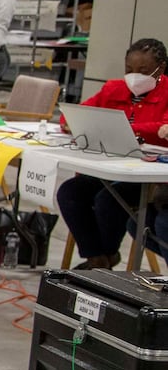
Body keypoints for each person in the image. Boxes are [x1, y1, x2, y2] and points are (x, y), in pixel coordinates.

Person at [56, 38, 168, 269]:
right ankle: (96, 258)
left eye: (143, 71)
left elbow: (163, 130)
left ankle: (105, 257)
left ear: (162, 68)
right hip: (112, 165)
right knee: (70, 192)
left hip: (148, 176)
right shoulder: (113, 89)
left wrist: (123, 129)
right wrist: (74, 123)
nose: (134, 75)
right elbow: (74, 115)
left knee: (108, 199)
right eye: (129, 69)